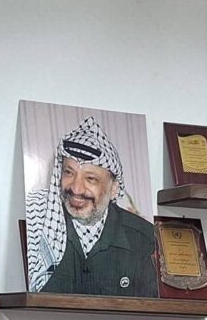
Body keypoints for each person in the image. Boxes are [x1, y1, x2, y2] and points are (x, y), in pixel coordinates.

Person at [25, 115, 157, 297]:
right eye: (69, 173)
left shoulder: (143, 237)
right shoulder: (39, 225)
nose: (76, 188)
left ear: (113, 189)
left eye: (90, 179)